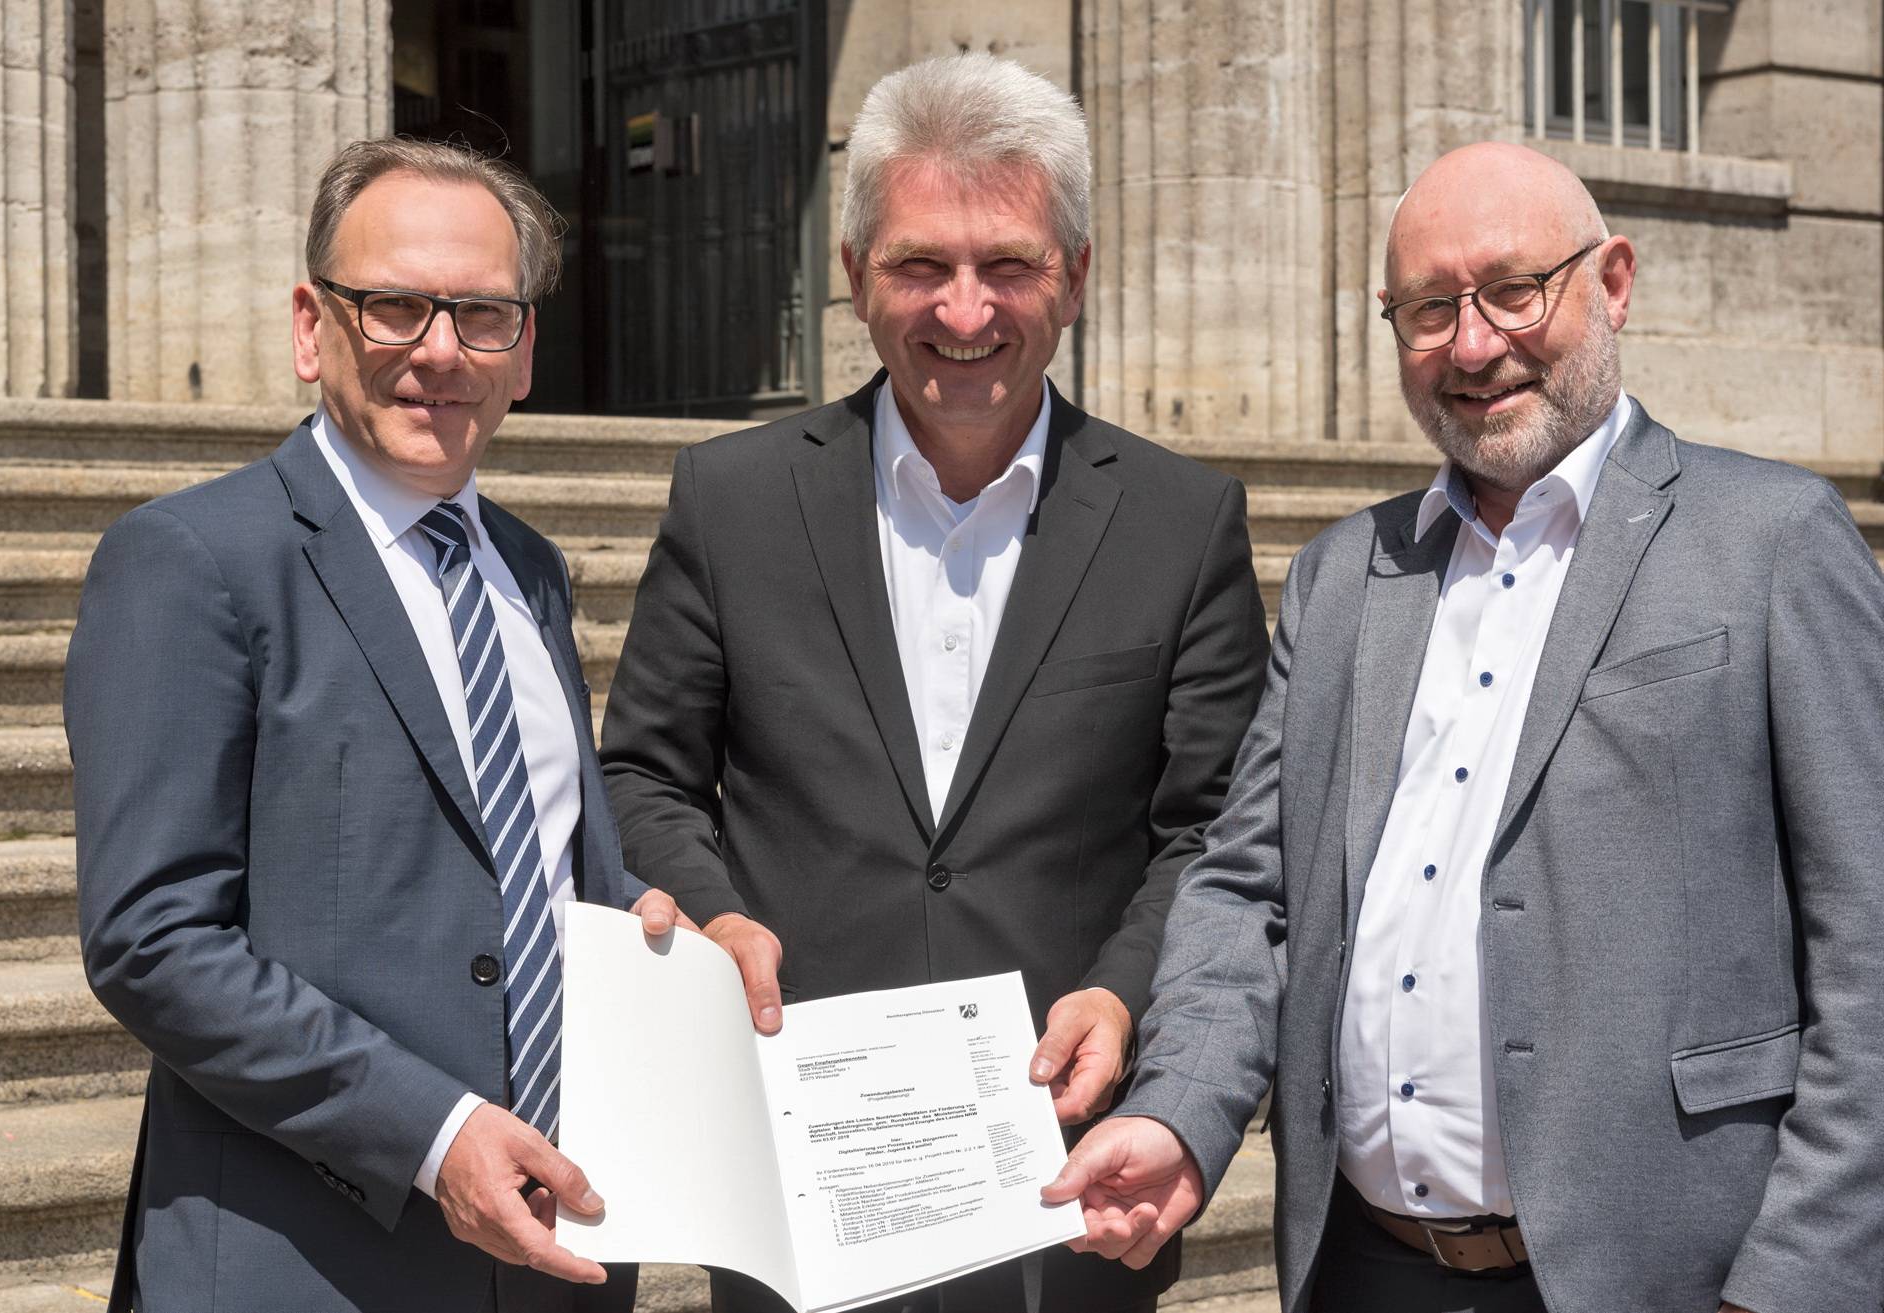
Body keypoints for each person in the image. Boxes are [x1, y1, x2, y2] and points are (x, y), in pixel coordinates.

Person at [1043, 141, 1884, 1313]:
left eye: (1511, 289)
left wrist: (1794, 1280)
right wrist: (1177, 1108)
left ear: (1614, 282)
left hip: (1668, 1278)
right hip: (1363, 1269)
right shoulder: (1344, 576)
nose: (1473, 343)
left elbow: (1870, 946)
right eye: (1428, 308)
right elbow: (1248, 893)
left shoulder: (1771, 541)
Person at [598, 53, 1269, 1313]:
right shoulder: (732, 499)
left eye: (1007, 263)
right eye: (920, 264)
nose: (964, 311)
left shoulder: (1182, 521)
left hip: (1065, 1181)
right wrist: (715, 915)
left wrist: (1123, 994)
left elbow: (1212, 828)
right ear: (853, 277)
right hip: (804, 1172)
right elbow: (641, 769)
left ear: (1072, 275)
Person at [66, 138, 779, 1313]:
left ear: (525, 350)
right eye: (392, 305)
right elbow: (152, 938)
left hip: (558, 1256)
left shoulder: (533, 572)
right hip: (302, 1262)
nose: (439, 350)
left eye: (482, 314)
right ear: (310, 326)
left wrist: (665, 934)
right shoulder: (193, 562)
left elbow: (539, 862)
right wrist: (434, 1134)